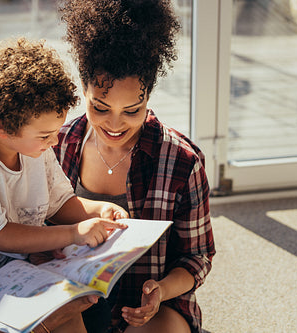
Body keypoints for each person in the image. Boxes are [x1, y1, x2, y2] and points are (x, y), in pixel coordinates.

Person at [0, 37, 128, 331]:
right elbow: (0, 237)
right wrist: (73, 233)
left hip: (18, 268)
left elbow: (61, 203)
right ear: (2, 128)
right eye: (45, 135)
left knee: (78, 306)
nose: (54, 142)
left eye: (55, 132)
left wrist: (99, 211)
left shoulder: (34, 149)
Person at [54, 1, 216, 332]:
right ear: (83, 89)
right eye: (100, 107)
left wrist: (161, 291)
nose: (115, 124)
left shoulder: (182, 162)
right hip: (70, 299)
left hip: (151, 308)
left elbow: (196, 258)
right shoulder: (57, 145)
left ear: (149, 95)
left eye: (132, 110)